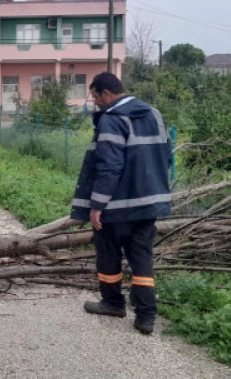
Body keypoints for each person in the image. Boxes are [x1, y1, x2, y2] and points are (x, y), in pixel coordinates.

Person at [71, 72, 171, 335]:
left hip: (117, 206)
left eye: (95, 97)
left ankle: (113, 303)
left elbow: (109, 166)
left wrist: (97, 205)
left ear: (107, 93)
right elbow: (166, 156)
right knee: (142, 258)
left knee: (108, 253)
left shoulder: (112, 119)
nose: (95, 103)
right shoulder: (154, 114)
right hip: (148, 204)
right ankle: (146, 316)